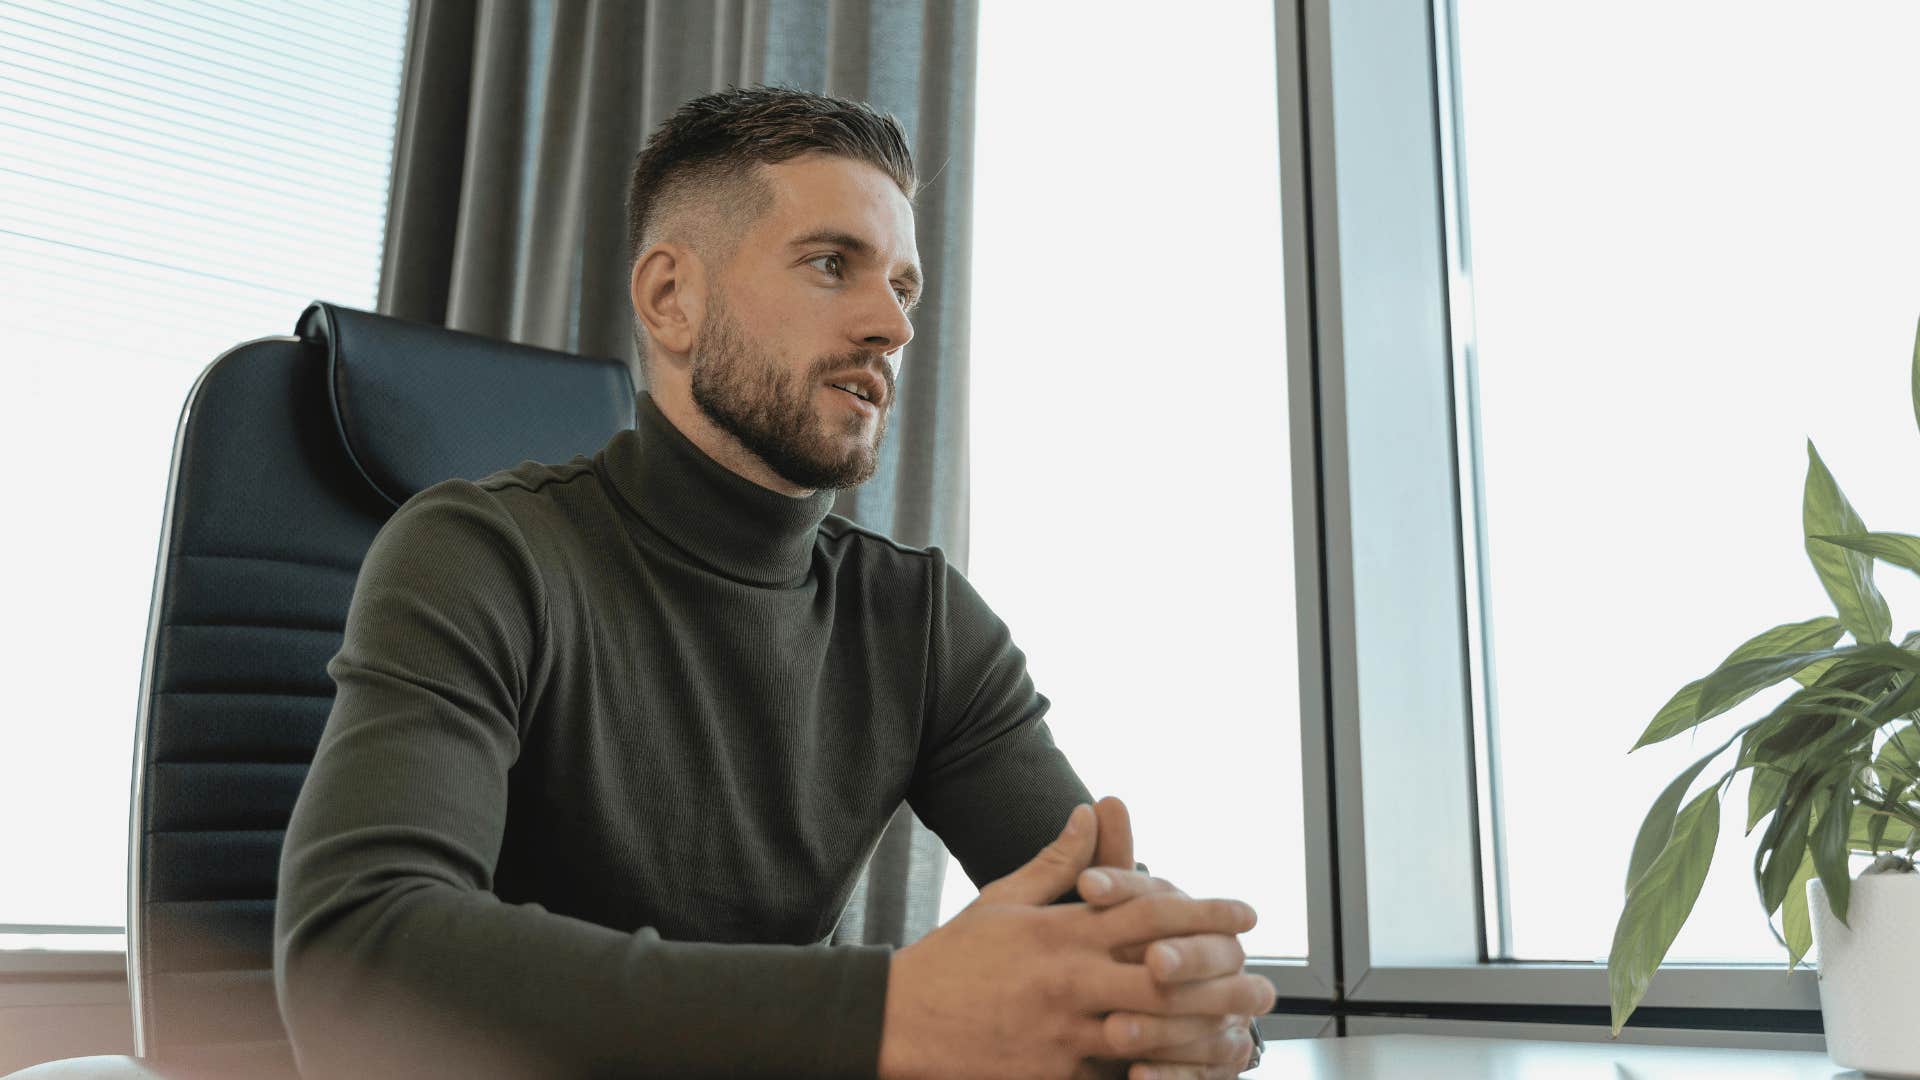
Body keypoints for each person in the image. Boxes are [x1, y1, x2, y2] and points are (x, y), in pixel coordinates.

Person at [273, 84, 1272, 1079]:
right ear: (673, 297)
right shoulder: (478, 553)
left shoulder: (920, 623)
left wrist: (1174, 1004)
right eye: (834, 264)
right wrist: (893, 1012)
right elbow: (357, 958)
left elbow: (1111, 955)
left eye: (906, 288)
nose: (894, 326)